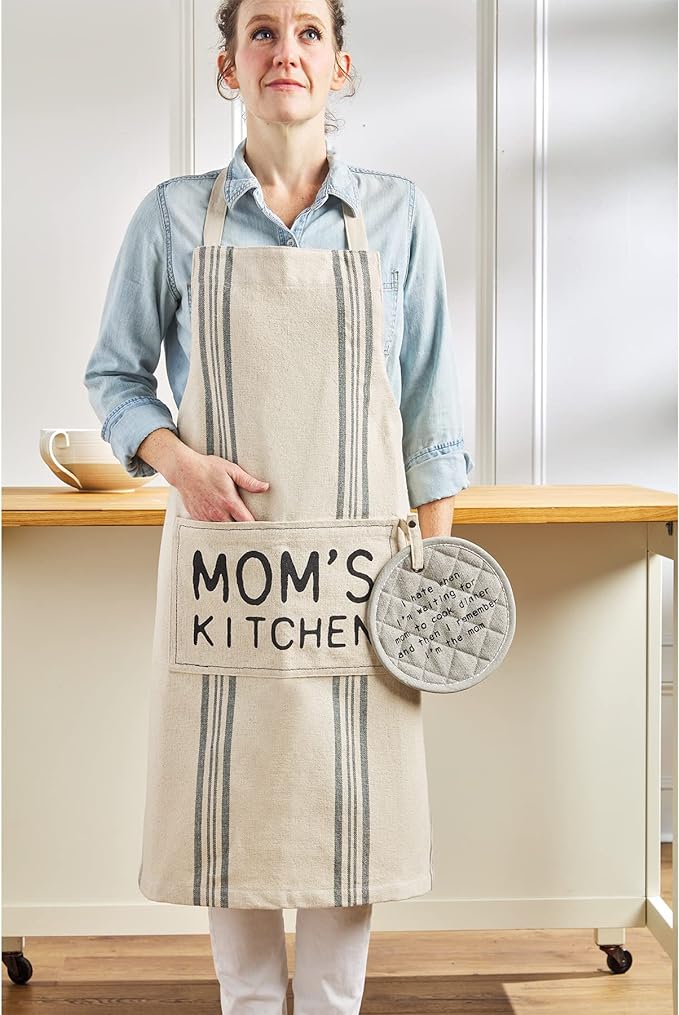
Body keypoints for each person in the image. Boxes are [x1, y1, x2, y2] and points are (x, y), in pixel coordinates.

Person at [84, 0, 474, 1011]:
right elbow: (117, 381)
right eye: (262, 31)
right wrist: (178, 461)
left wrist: (432, 586)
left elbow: (431, 417)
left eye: (307, 32)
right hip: (234, 564)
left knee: (354, 801)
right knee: (235, 796)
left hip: (362, 577)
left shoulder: (399, 217)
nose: (284, 51)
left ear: (340, 65)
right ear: (229, 67)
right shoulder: (172, 218)